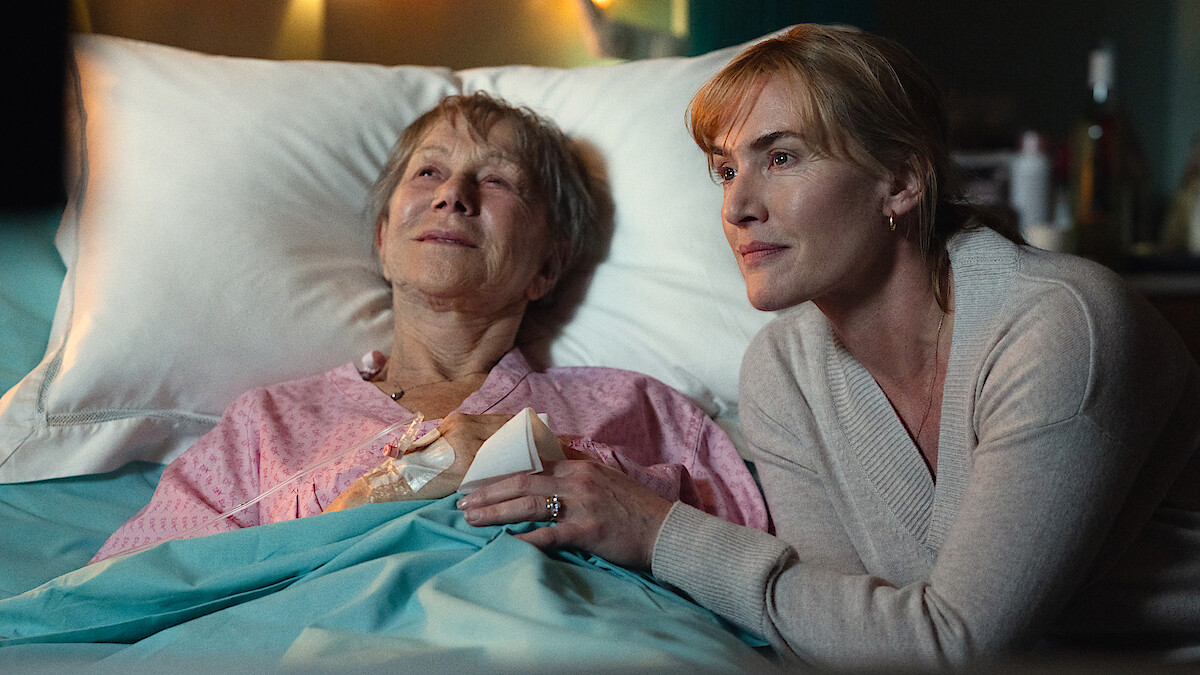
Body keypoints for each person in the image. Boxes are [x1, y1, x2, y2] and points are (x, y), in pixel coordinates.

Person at [457, 24, 1200, 669]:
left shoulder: (1061, 327)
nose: (738, 206)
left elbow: (957, 646)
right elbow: (840, 632)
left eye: (781, 158)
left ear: (902, 181)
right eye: (725, 168)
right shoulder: (784, 368)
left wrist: (659, 531)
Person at [91, 92, 768, 563]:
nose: (454, 194)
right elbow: (126, 585)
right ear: (385, 240)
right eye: (430, 172)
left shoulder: (641, 409)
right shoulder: (271, 424)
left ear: (546, 268)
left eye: (497, 180)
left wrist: (575, 470)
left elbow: (760, 587)